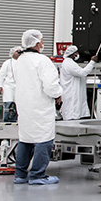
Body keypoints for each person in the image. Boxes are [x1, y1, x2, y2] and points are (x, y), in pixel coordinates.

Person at [13, 29, 63, 185]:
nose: (42, 43)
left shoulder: (20, 60)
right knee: (44, 140)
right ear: (36, 43)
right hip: (40, 106)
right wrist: (58, 94)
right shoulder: (42, 61)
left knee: (25, 139)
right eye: (41, 40)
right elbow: (50, 86)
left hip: (24, 105)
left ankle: (20, 175)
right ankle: (37, 175)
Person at [59, 45, 97, 120]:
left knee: (72, 110)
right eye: (76, 53)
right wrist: (92, 62)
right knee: (72, 112)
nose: (77, 55)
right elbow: (83, 73)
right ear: (72, 54)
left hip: (70, 92)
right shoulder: (69, 63)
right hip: (72, 93)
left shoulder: (68, 63)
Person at [0, 46, 22, 121]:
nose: (19, 53)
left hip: (19, 87)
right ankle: (7, 120)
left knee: (19, 105)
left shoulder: (23, 63)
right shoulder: (7, 63)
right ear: (13, 53)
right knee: (9, 104)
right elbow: (1, 75)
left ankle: (16, 120)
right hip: (8, 87)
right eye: (17, 51)